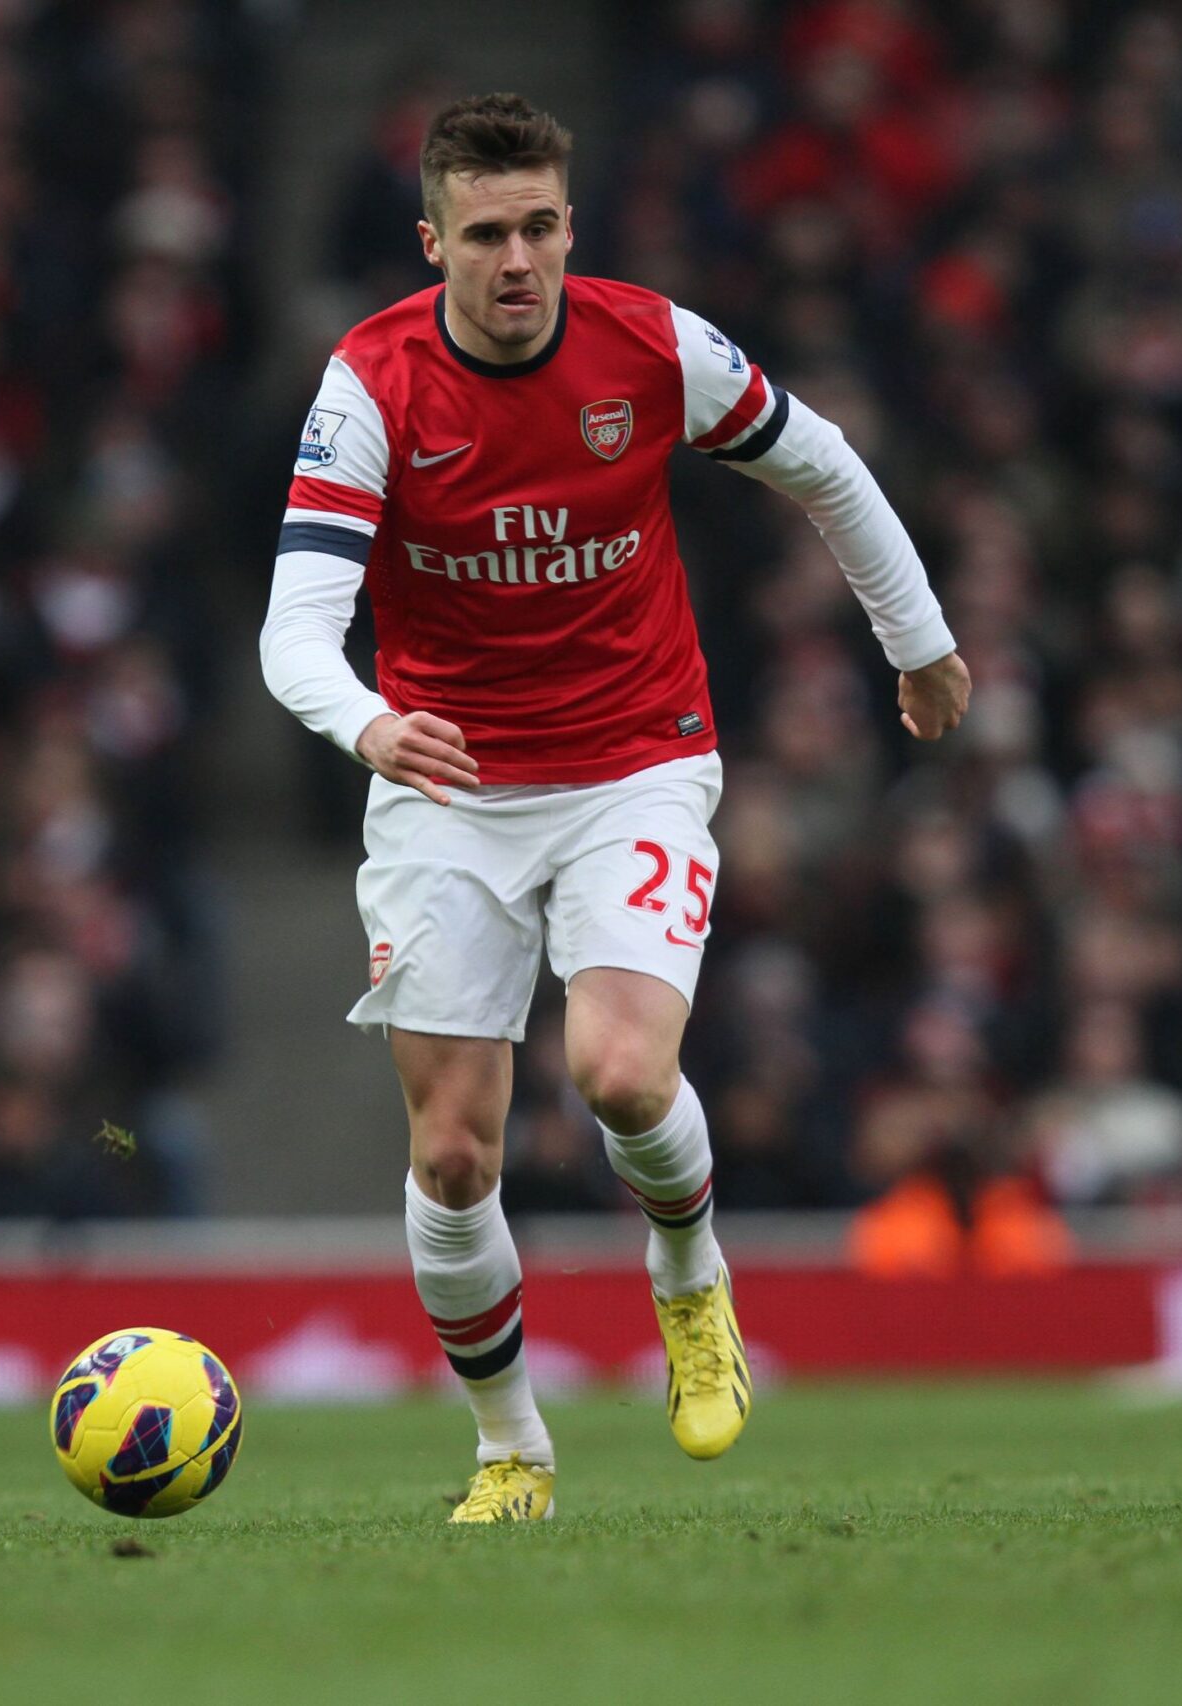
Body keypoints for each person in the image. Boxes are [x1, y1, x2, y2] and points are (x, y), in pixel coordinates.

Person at [259, 93, 969, 1521]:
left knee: (625, 1076)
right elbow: (293, 631)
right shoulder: (372, 381)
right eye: (484, 235)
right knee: (455, 1148)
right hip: (448, 782)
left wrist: (921, 639)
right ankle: (511, 1448)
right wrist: (369, 721)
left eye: (537, 230)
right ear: (433, 241)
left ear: (569, 228)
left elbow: (821, 460)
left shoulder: (653, 344)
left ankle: (691, 1275)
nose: (515, 261)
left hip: (635, 758)